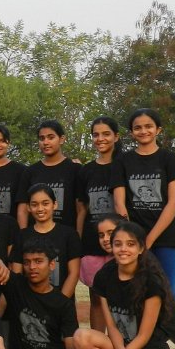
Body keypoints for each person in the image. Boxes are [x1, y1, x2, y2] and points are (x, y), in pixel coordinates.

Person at [72, 221, 175, 349]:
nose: (123, 249)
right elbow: (112, 326)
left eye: (130, 244)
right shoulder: (104, 276)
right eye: (118, 244)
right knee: (81, 338)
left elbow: (144, 336)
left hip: (157, 343)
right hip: (128, 339)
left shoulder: (151, 281)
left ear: (141, 248)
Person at [111, 109, 175, 310]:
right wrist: (132, 238)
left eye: (148, 126)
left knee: (168, 289)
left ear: (158, 130)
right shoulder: (122, 161)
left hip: (168, 236)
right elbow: (119, 203)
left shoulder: (169, 159)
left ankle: (173, 331)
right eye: (137, 127)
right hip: (135, 238)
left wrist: (150, 239)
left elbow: (174, 202)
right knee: (137, 290)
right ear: (131, 132)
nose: (143, 131)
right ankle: (141, 331)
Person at [0, 241, 84, 349]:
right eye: (27, 262)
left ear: (52, 265)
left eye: (38, 261)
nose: (32, 267)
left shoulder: (63, 303)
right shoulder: (16, 285)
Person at [11, 184, 82, 299]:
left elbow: (74, 274)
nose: (40, 209)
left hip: (61, 302)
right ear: (28, 207)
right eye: (34, 204)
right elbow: (17, 274)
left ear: (55, 204)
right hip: (30, 303)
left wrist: (60, 303)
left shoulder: (69, 234)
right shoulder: (22, 235)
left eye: (45, 203)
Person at [16, 120, 84, 230]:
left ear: (61, 139)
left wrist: (78, 236)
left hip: (66, 234)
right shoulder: (30, 172)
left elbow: (81, 209)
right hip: (35, 236)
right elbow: (23, 210)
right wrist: (23, 236)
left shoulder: (75, 169)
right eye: (42, 138)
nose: (45, 142)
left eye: (51, 137)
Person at [77, 116, 120, 288]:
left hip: (118, 241)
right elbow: (82, 209)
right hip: (92, 241)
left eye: (106, 134)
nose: (100, 139)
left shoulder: (124, 166)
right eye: (96, 135)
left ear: (116, 136)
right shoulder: (86, 171)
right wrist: (78, 240)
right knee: (96, 293)